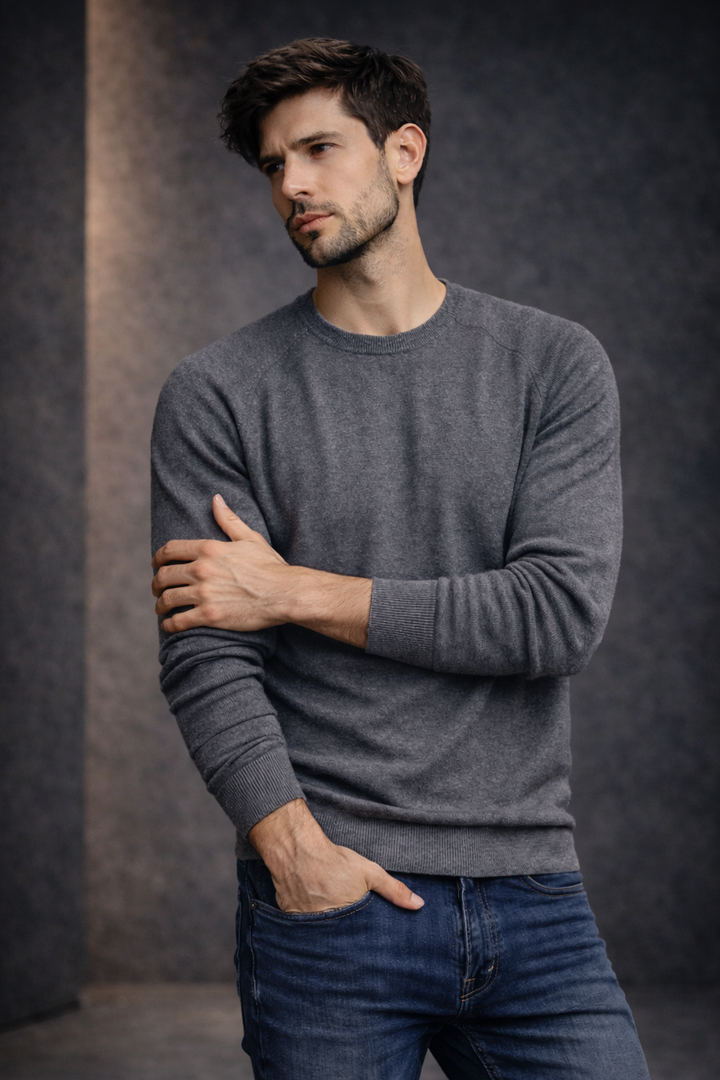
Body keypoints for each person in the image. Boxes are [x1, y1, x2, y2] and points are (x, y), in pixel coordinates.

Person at [150, 37, 650, 1080]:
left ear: (404, 151)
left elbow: (555, 615)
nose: (292, 183)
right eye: (273, 164)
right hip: (331, 902)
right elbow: (207, 657)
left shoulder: (552, 366)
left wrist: (290, 591)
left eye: (320, 149)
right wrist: (293, 852)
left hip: (533, 893)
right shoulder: (219, 391)